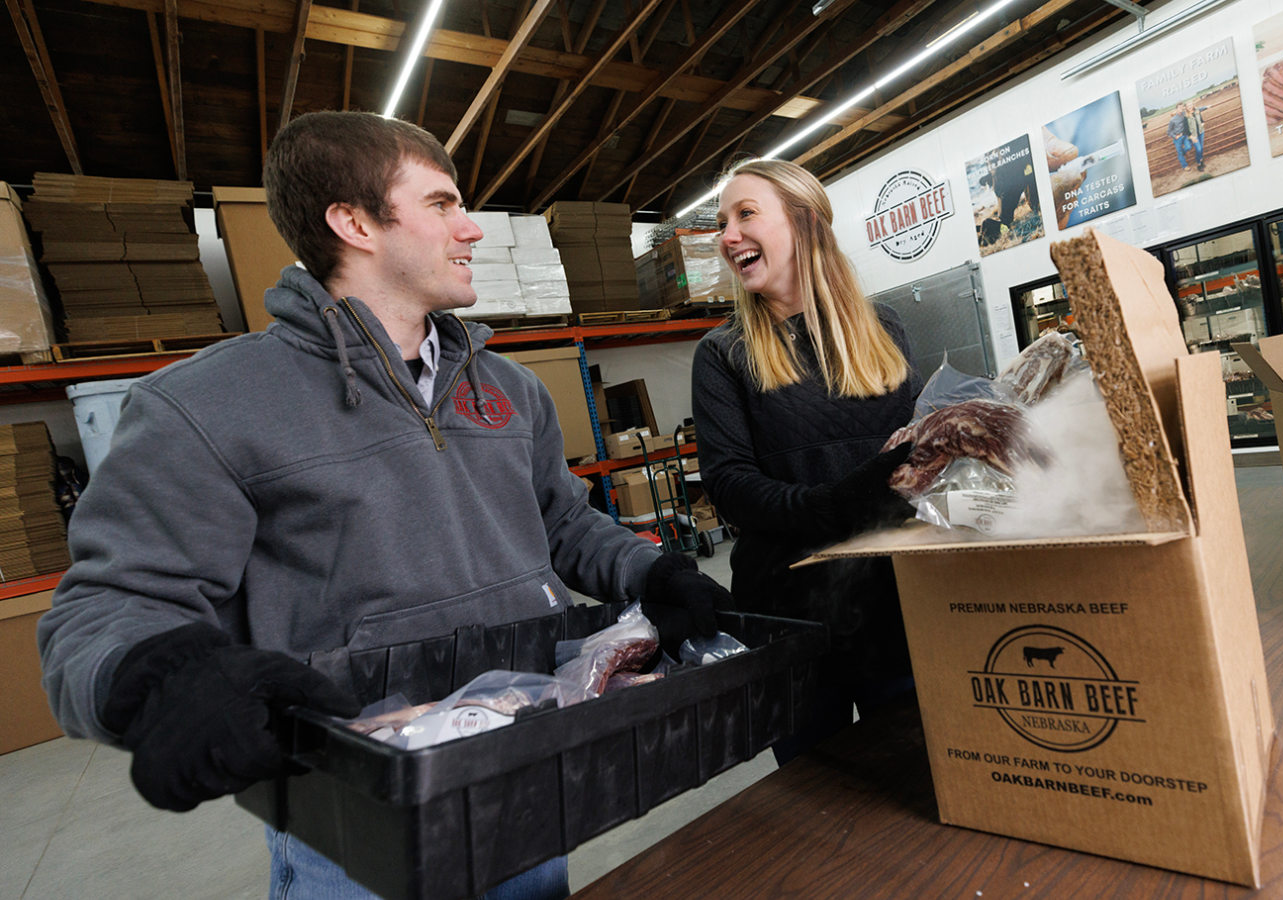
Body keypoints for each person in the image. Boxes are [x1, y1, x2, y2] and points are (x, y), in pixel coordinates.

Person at [36, 110, 725, 900]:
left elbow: (561, 521)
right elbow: (108, 606)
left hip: (527, 761)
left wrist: (654, 572)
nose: (470, 229)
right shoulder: (206, 405)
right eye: (441, 204)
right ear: (353, 221)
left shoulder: (508, 388)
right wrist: (157, 676)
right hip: (359, 815)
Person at [690, 159, 922, 762]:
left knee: (912, 780)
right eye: (723, 223)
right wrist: (831, 506)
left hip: (896, 601)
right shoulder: (724, 353)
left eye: (746, 215)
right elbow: (729, 482)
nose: (728, 236)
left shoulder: (884, 328)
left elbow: (922, 453)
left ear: (805, 223)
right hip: (788, 612)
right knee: (814, 806)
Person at [1183, 101, 1208, 172]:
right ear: (1186, 108)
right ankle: (1199, 164)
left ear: (1193, 105)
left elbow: (1201, 120)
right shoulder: (1186, 117)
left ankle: (1201, 160)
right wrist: (1191, 137)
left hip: (1201, 132)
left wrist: (1202, 124)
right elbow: (1185, 129)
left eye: (1191, 105)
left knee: (1201, 148)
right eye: (1188, 106)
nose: (1190, 107)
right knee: (1199, 149)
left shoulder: (1197, 111)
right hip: (1194, 136)